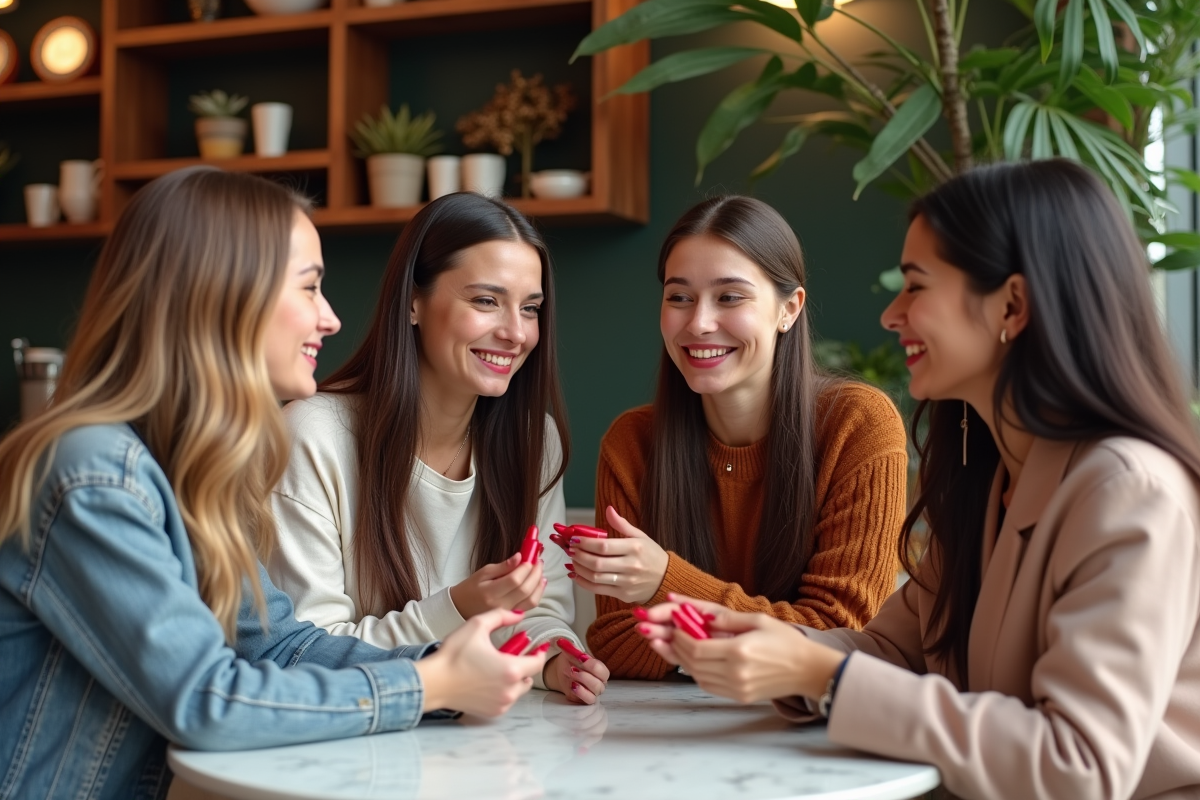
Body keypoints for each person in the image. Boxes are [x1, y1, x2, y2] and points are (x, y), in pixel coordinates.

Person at [639, 160, 1200, 799]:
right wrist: (771, 648)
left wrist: (822, 675)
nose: (891, 315)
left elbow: (1079, 766)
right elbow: (895, 651)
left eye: (916, 286)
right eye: (678, 295)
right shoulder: (987, 476)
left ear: (1012, 305)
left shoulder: (1129, 492)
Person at [0, 168, 547, 800]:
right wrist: (433, 687)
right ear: (222, 295)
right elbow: (205, 700)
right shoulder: (91, 474)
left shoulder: (186, 473)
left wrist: (442, 665)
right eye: (310, 288)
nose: (331, 318)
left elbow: (279, 648)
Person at [267, 192, 610, 704]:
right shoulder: (314, 435)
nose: (515, 332)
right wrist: (458, 606)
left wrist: (554, 658)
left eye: (531, 308)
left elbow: (538, 610)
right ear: (413, 301)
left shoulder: (536, 441)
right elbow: (306, 653)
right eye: (486, 301)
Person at [576, 195, 909, 679]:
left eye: (730, 297)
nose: (698, 323)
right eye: (679, 297)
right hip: (663, 738)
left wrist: (664, 584)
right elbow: (619, 645)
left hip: (810, 734)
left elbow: (841, 638)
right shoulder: (632, 444)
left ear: (788, 309)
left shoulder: (857, 426)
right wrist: (762, 628)